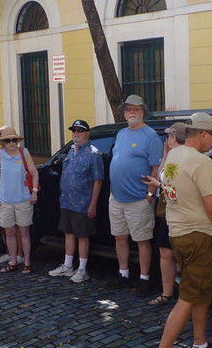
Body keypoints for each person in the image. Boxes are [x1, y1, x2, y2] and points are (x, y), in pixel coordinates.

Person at [148, 112, 212, 348]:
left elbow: (169, 191)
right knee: (189, 296)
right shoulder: (201, 162)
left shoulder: (174, 154)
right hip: (197, 234)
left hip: (178, 232)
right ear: (203, 134)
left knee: (201, 291)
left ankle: (200, 344)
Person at [107, 94, 164, 295]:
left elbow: (156, 169)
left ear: (143, 113)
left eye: (136, 109)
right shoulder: (121, 133)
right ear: (123, 113)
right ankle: (123, 274)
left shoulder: (150, 136)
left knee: (142, 240)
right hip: (116, 197)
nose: (131, 112)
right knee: (120, 238)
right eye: (128, 109)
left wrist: (150, 194)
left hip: (139, 198)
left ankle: (144, 278)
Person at [48, 119, 104, 283]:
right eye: (74, 131)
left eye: (80, 130)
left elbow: (98, 181)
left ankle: (82, 269)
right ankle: (67, 266)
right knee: (68, 234)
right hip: (66, 202)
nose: (76, 133)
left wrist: (93, 204)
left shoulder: (93, 154)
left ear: (87, 133)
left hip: (82, 203)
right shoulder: (71, 150)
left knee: (82, 236)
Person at [141, 122, 187, 305]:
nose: (166, 139)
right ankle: (167, 292)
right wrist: (166, 154)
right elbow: (159, 176)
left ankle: (186, 295)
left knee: (181, 254)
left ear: (174, 138)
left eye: (169, 136)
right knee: (164, 251)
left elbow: (173, 188)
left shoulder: (184, 158)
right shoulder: (171, 155)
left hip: (181, 211)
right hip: (166, 211)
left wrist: (156, 187)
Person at [0, 126, 39, 273]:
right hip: (5, 200)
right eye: (8, 140)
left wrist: (34, 192)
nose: (11, 143)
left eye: (14, 140)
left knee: (24, 232)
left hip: (23, 199)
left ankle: (27, 262)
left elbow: (34, 173)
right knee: (9, 232)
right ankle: (13, 261)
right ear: (3, 142)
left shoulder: (24, 153)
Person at [0, 127, 24, 265]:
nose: (9, 141)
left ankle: (20, 253)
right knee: (4, 225)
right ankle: (9, 252)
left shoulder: (18, 153)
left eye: (11, 138)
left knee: (18, 226)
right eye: (5, 138)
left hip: (13, 191)